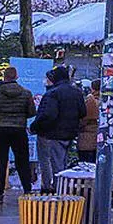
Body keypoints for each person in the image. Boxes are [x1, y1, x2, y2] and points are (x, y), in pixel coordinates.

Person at [0, 66, 36, 204]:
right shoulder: (26, 93)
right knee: (22, 161)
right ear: (16, 77)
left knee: (0, 162)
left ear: (4, 77)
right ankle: (27, 190)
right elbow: (32, 112)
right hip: (19, 130)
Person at [31, 65, 85, 194]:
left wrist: (35, 126)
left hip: (51, 134)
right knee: (62, 162)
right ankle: (61, 187)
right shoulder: (76, 92)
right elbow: (83, 112)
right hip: (69, 134)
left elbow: (48, 115)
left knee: (49, 161)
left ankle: (51, 187)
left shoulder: (52, 93)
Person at [77, 80, 100, 164]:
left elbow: (84, 118)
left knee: (86, 164)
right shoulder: (107, 100)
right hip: (98, 139)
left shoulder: (91, 100)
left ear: (92, 88)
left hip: (87, 138)